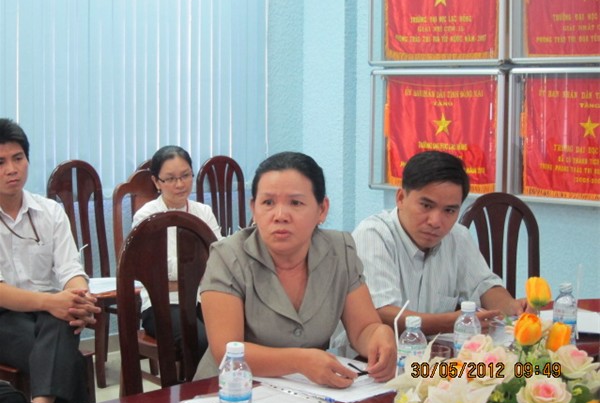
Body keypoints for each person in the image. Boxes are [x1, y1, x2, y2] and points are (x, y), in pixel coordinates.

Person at [194, 151, 396, 388]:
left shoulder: (340, 250)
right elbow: (227, 350)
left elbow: (363, 329)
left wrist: (379, 335)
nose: (280, 216)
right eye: (268, 203)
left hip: (309, 393)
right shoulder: (227, 256)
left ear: (322, 209)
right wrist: (299, 362)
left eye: (296, 203)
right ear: (254, 208)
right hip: (229, 392)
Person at [332, 150, 526, 350]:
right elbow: (381, 314)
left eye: (449, 210)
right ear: (401, 198)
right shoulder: (373, 235)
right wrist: (452, 322)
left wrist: (514, 308)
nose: (436, 221)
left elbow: (484, 286)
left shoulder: (457, 237)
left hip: (428, 356)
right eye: (426, 205)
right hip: (364, 359)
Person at [0, 118, 100, 403]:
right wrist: (53, 303)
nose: (11, 169)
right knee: (69, 359)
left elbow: (71, 270)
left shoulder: (50, 211)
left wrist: (79, 299)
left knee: (61, 320)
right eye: (1, 162)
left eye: (18, 158)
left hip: (50, 314)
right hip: (4, 317)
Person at [132, 145, 222, 358]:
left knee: (234, 334)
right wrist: (197, 271)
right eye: (171, 179)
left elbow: (219, 260)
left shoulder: (203, 212)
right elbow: (153, 272)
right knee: (201, 341)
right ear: (156, 182)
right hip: (162, 303)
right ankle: (194, 381)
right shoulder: (146, 217)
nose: (180, 184)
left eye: (185, 176)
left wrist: (181, 275)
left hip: (204, 297)